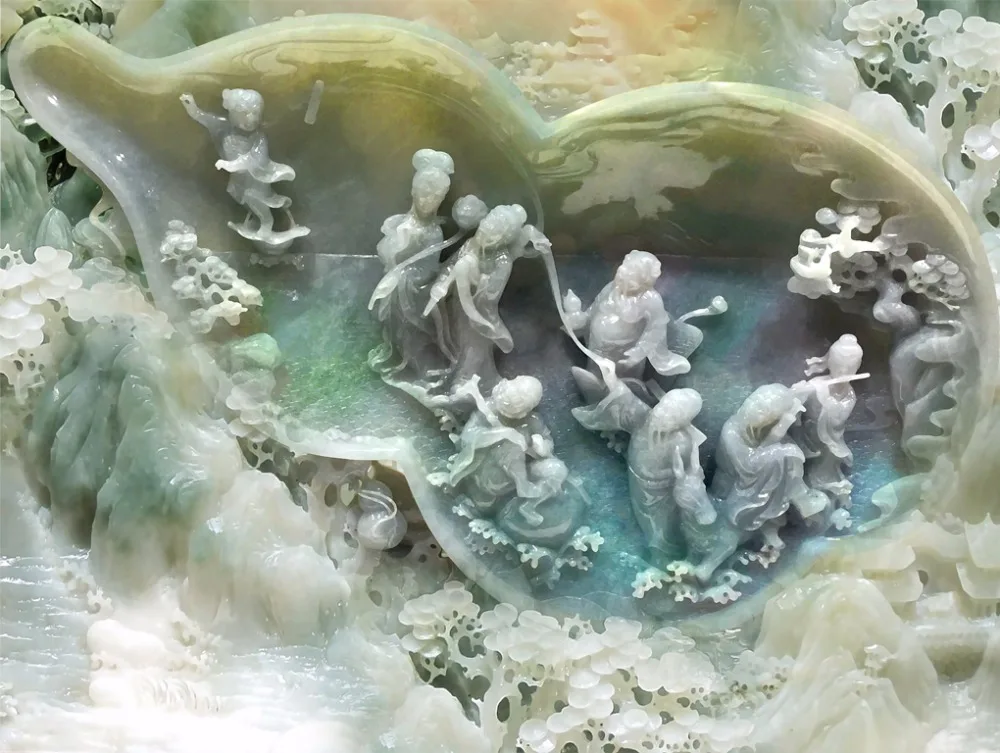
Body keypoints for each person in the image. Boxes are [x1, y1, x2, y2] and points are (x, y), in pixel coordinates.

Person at [368, 149, 456, 379]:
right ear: (413, 191)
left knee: (414, 330)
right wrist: (398, 243)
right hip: (396, 289)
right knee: (394, 327)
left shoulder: (433, 232)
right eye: (425, 193)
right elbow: (383, 253)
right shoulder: (400, 223)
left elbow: (428, 268)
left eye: (436, 196)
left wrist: (405, 275)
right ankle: (395, 355)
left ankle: (417, 364)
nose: (429, 200)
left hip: (415, 292)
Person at [711, 384, 828, 537]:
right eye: (755, 403)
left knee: (785, 450)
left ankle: (799, 496)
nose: (756, 410)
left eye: (766, 412)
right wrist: (782, 443)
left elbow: (768, 445)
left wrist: (786, 421)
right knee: (780, 455)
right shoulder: (731, 430)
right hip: (733, 485)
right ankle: (792, 500)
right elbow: (748, 466)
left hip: (758, 474)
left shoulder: (761, 428)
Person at [791, 334, 867, 511]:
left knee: (828, 467)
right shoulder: (815, 386)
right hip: (809, 437)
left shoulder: (849, 394)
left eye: (849, 368)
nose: (843, 372)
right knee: (807, 469)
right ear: (830, 363)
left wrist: (830, 404)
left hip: (830, 442)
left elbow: (838, 419)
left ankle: (830, 496)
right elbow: (793, 409)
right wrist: (796, 395)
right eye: (839, 367)